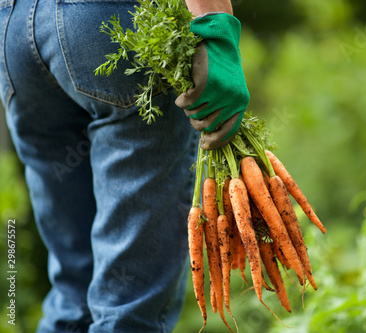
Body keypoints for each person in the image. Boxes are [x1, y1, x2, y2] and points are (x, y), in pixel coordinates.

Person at [0, 0, 249, 330]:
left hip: (13, 31)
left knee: (73, 293)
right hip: (109, 22)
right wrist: (215, 26)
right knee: (128, 307)